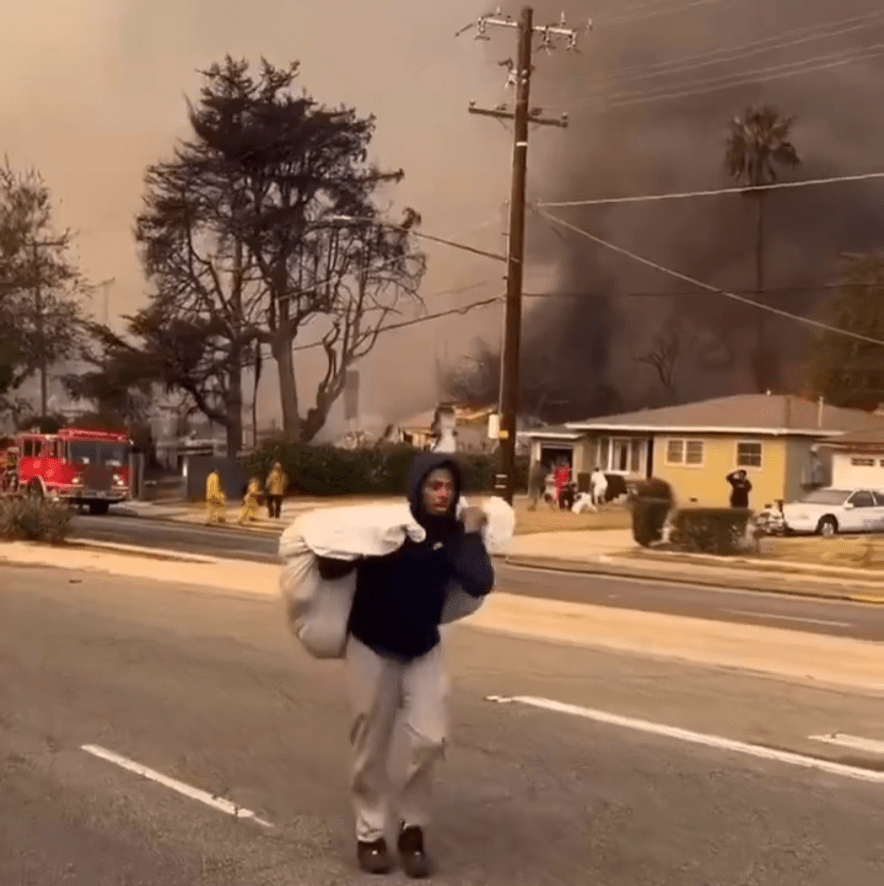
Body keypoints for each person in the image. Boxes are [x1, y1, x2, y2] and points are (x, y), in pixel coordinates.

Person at [315, 452, 494, 878]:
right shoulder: (389, 531)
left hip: (423, 649)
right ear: (417, 489)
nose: (442, 493)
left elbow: (479, 581)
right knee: (370, 748)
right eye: (434, 485)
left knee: (431, 740)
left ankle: (412, 831)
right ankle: (370, 834)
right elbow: (329, 567)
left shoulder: (453, 535)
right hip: (372, 646)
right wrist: (361, 540)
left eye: (449, 486)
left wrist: (470, 533)